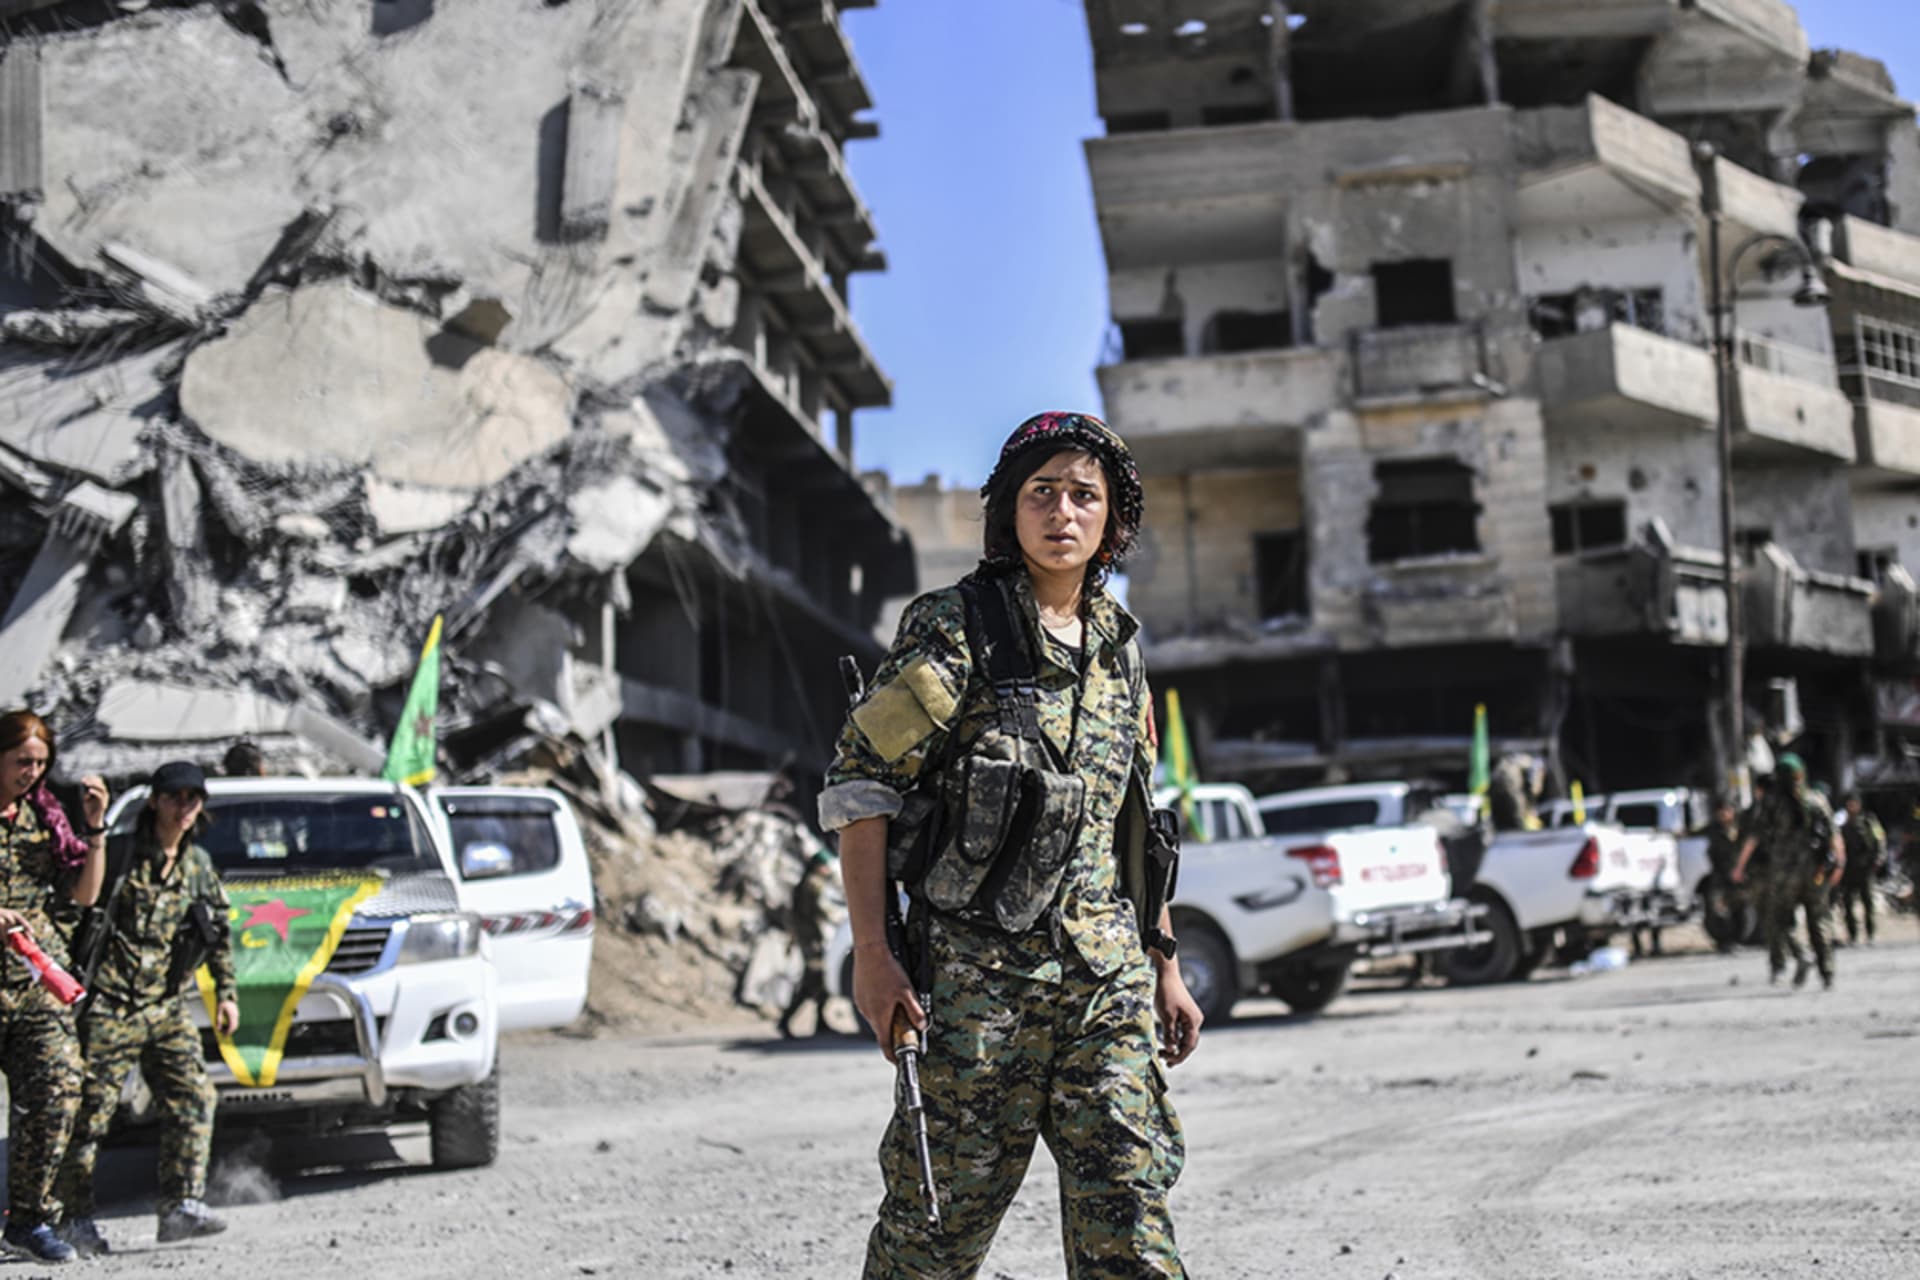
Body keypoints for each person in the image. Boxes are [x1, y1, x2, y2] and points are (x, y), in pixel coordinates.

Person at [820, 411, 1201, 1279]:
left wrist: (1163, 960)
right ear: (1008, 511)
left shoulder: (1121, 649)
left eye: (1083, 496)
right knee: (934, 1234)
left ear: (1112, 520)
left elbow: (1136, 821)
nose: (1061, 512)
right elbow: (862, 790)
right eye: (1041, 493)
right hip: (974, 995)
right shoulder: (953, 630)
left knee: (1130, 1221)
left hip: (1105, 983)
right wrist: (874, 955)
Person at [55, 760, 238, 1256]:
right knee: (89, 1115)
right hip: (110, 1004)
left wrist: (225, 993)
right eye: (176, 796)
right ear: (155, 801)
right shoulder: (118, 856)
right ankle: (74, 1218)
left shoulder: (197, 865)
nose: (185, 806)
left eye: (194, 798)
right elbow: (76, 912)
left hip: (165, 1003)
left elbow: (217, 931)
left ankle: (180, 1205)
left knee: (195, 1097)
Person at [0, 710, 109, 1263]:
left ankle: (29, 1218)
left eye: (41, 763)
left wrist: (94, 827)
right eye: (22, 761)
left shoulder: (44, 817)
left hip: (33, 981)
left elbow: (85, 896)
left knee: (60, 1088)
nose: (32, 773)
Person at [1732, 754, 1841, 990]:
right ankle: (1827, 972)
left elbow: (1754, 837)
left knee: (1780, 919)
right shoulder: (1817, 800)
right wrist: (1839, 864)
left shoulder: (1772, 803)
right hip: (1816, 873)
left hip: (1784, 874)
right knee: (1819, 920)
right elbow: (1834, 837)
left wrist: (1740, 866)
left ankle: (1801, 954)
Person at [777, 846, 841, 1039]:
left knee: (820, 981)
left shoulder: (806, 883)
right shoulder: (813, 884)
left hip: (810, 940)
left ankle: (820, 1021)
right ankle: (786, 1020)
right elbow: (822, 910)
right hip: (812, 942)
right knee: (812, 981)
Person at [1835, 791, 1886, 946]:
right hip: (1849, 870)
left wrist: (1878, 859)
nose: (1852, 806)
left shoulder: (1869, 822)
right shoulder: (1842, 825)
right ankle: (1853, 935)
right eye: (1849, 803)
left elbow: (1880, 839)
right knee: (1848, 903)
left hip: (1865, 869)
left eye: (1854, 803)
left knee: (1868, 902)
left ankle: (1870, 934)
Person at [1701, 794, 1745, 953]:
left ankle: (1737, 940)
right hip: (1720, 876)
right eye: (1721, 811)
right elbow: (1696, 833)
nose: (1724, 814)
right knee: (1717, 909)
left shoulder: (1741, 828)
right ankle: (1724, 942)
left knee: (1740, 909)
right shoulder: (1714, 829)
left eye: (1727, 811)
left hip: (1739, 875)